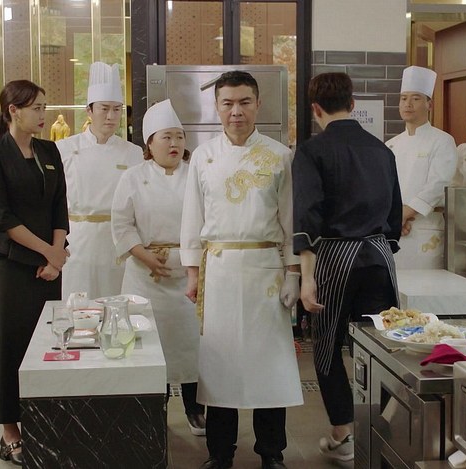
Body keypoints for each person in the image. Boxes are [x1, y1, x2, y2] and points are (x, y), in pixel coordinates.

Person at [180, 70, 302, 469]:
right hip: (218, 271)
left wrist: (294, 272)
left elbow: (290, 218)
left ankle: (272, 452)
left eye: (244, 102)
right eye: (228, 103)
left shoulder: (279, 155)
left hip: (266, 270)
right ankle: (220, 453)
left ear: (258, 104)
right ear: (217, 107)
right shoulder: (202, 157)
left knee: (269, 365)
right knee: (220, 364)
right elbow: (192, 217)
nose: (237, 111)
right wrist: (193, 275)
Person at [293, 72, 401, 462]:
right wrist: (382, 248)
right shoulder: (382, 151)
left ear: (315, 109)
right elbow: (394, 214)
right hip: (379, 256)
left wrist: (307, 279)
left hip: (335, 257)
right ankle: (384, 432)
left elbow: (307, 215)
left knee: (326, 347)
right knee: (380, 348)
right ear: (352, 104)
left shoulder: (311, 151)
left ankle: (343, 435)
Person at [0, 80, 69, 466]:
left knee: (48, 346)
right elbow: (3, 217)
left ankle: (44, 424)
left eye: (44, 107)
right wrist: (49, 252)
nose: (43, 115)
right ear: (13, 111)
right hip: (13, 267)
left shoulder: (49, 151)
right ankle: (10, 432)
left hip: (49, 269)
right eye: (36, 108)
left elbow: (60, 205)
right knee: (10, 348)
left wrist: (56, 257)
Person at [111, 99, 205, 436]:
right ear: (149, 143)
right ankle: (155, 410)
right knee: (150, 345)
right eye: (167, 137)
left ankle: (196, 409)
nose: (174, 143)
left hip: (189, 274)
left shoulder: (196, 175)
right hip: (144, 277)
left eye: (179, 136)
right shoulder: (134, 177)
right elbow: (121, 224)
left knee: (191, 345)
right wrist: (145, 256)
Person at [56, 62, 143, 300]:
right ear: (89, 111)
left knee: (118, 304)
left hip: (118, 241)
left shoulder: (133, 152)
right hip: (78, 242)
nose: (111, 116)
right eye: (104, 109)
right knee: (80, 305)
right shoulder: (64, 149)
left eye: (117, 109)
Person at [385, 66, 456, 270]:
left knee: (427, 287)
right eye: (403, 98)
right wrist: (393, 218)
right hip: (395, 230)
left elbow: (438, 183)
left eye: (416, 98)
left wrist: (404, 214)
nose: (408, 104)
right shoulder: (390, 145)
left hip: (426, 229)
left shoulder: (442, 141)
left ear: (429, 104)